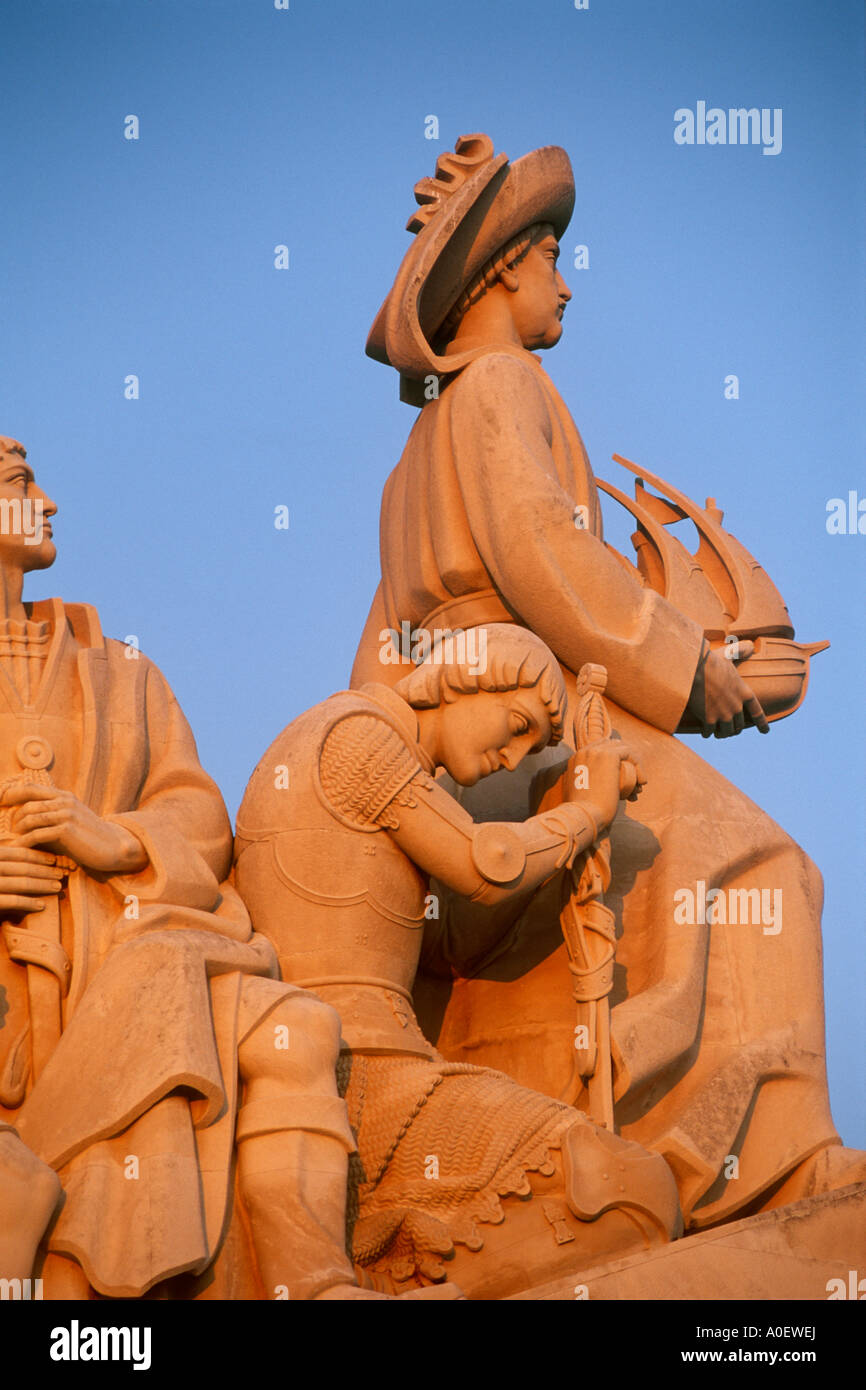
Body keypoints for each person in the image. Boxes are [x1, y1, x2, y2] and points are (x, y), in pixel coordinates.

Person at [350, 134, 864, 1229]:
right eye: (549, 259)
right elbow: (548, 558)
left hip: (454, 765)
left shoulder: (408, 464)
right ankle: (763, 1166)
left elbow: (378, 655)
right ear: (502, 273)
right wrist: (692, 673)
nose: (565, 282)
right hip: (524, 745)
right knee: (766, 862)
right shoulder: (502, 385)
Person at [0, 435, 385, 1302]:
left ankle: (314, 1283)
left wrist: (122, 842)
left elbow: (198, 811)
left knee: (297, 1032)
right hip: (10, 994)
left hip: (138, 946)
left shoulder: (122, 672)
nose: (51, 502)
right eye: (23, 484)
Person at [235, 624, 682, 1299]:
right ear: (467, 677)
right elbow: (485, 865)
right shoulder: (356, 737)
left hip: (375, 1069)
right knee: (632, 1190)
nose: (516, 755)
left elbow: (446, 932)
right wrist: (588, 811)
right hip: (359, 1074)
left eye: (534, 746)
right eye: (517, 723)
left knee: (630, 1193)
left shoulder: (386, 762)